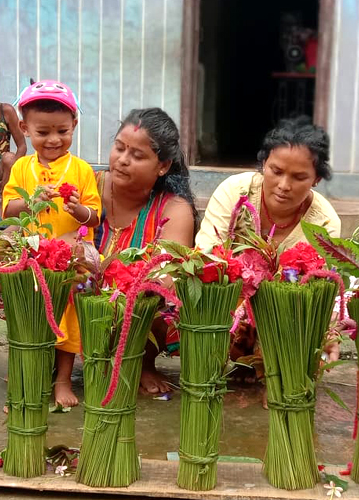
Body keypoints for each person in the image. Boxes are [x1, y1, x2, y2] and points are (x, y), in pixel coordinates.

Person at [196, 116, 341, 385]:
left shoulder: (324, 223)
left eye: (299, 177)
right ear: (263, 164)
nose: (284, 185)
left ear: (317, 178)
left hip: (284, 320)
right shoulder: (235, 192)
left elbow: (320, 291)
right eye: (276, 171)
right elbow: (206, 256)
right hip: (228, 308)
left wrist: (328, 330)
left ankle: (278, 375)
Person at [1, 79, 101, 408]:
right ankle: (30, 373)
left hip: (69, 259)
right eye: (43, 132)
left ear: (74, 125)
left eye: (62, 130)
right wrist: (30, 201)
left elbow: (95, 216)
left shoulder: (82, 170)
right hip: (31, 257)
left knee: (66, 317)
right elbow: (7, 209)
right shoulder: (22, 168)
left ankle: (62, 380)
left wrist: (80, 210)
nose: (54, 140)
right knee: (31, 315)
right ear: (25, 128)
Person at [96, 108, 197, 394]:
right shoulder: (87, 187)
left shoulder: (174, 209)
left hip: (138, 311)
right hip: (81, 302)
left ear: (162, 166)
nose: (122, 160)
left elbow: (169, 274)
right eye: (119, 148)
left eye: (137, 156)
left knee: (166, 291)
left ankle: (141, 361)